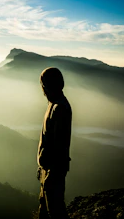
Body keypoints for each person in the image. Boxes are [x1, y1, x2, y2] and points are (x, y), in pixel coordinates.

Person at [37, 67, 72, 219]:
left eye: (43, 84)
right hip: (48, 168)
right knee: (45, 208)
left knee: (56, 211)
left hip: (54, 170)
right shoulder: (53, 104)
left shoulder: (59, 108)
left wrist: (51, 172)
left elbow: (59, 144)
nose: (42, 89)